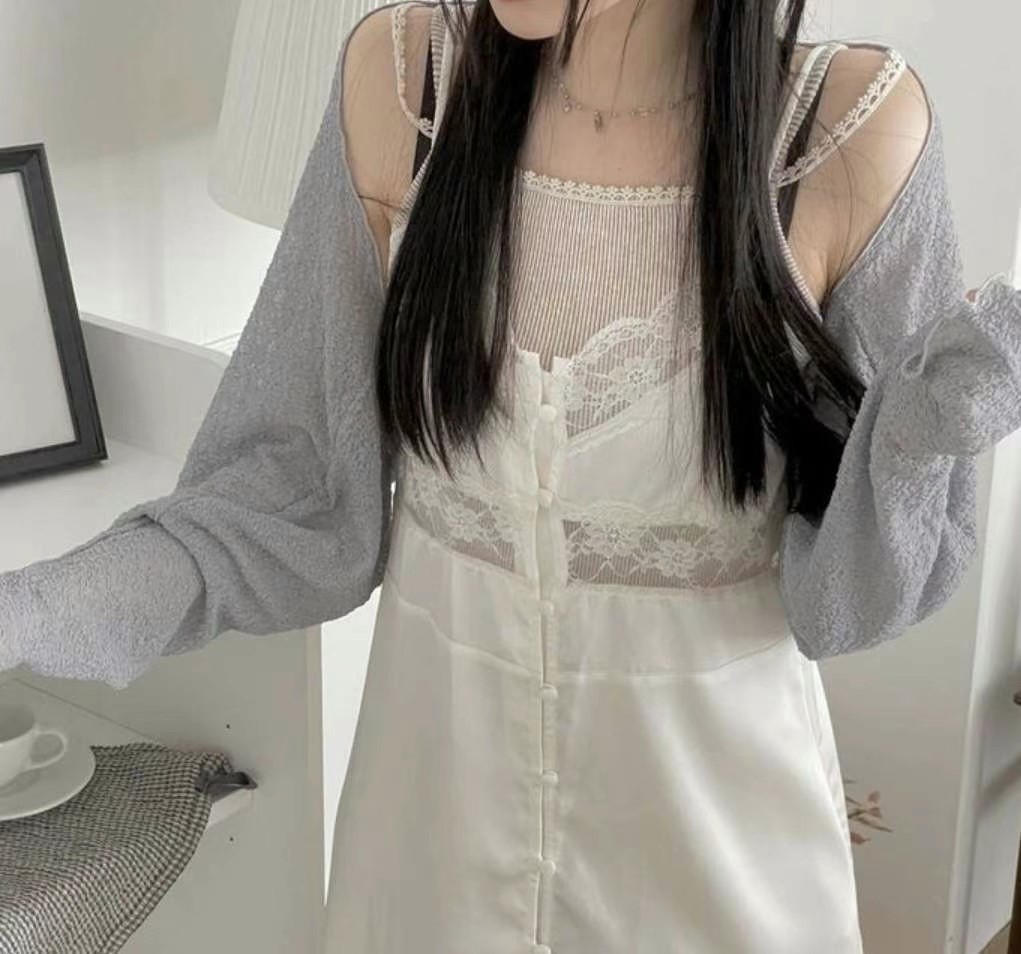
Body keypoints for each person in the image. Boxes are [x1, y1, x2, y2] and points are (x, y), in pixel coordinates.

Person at [2, 0, 1020, 950]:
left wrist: (932, 428)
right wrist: (26, 613)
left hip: (717, 873)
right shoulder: (399, 85)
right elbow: (282, 500)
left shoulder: (847, 133)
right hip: (426, 860)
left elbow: (848, 602)